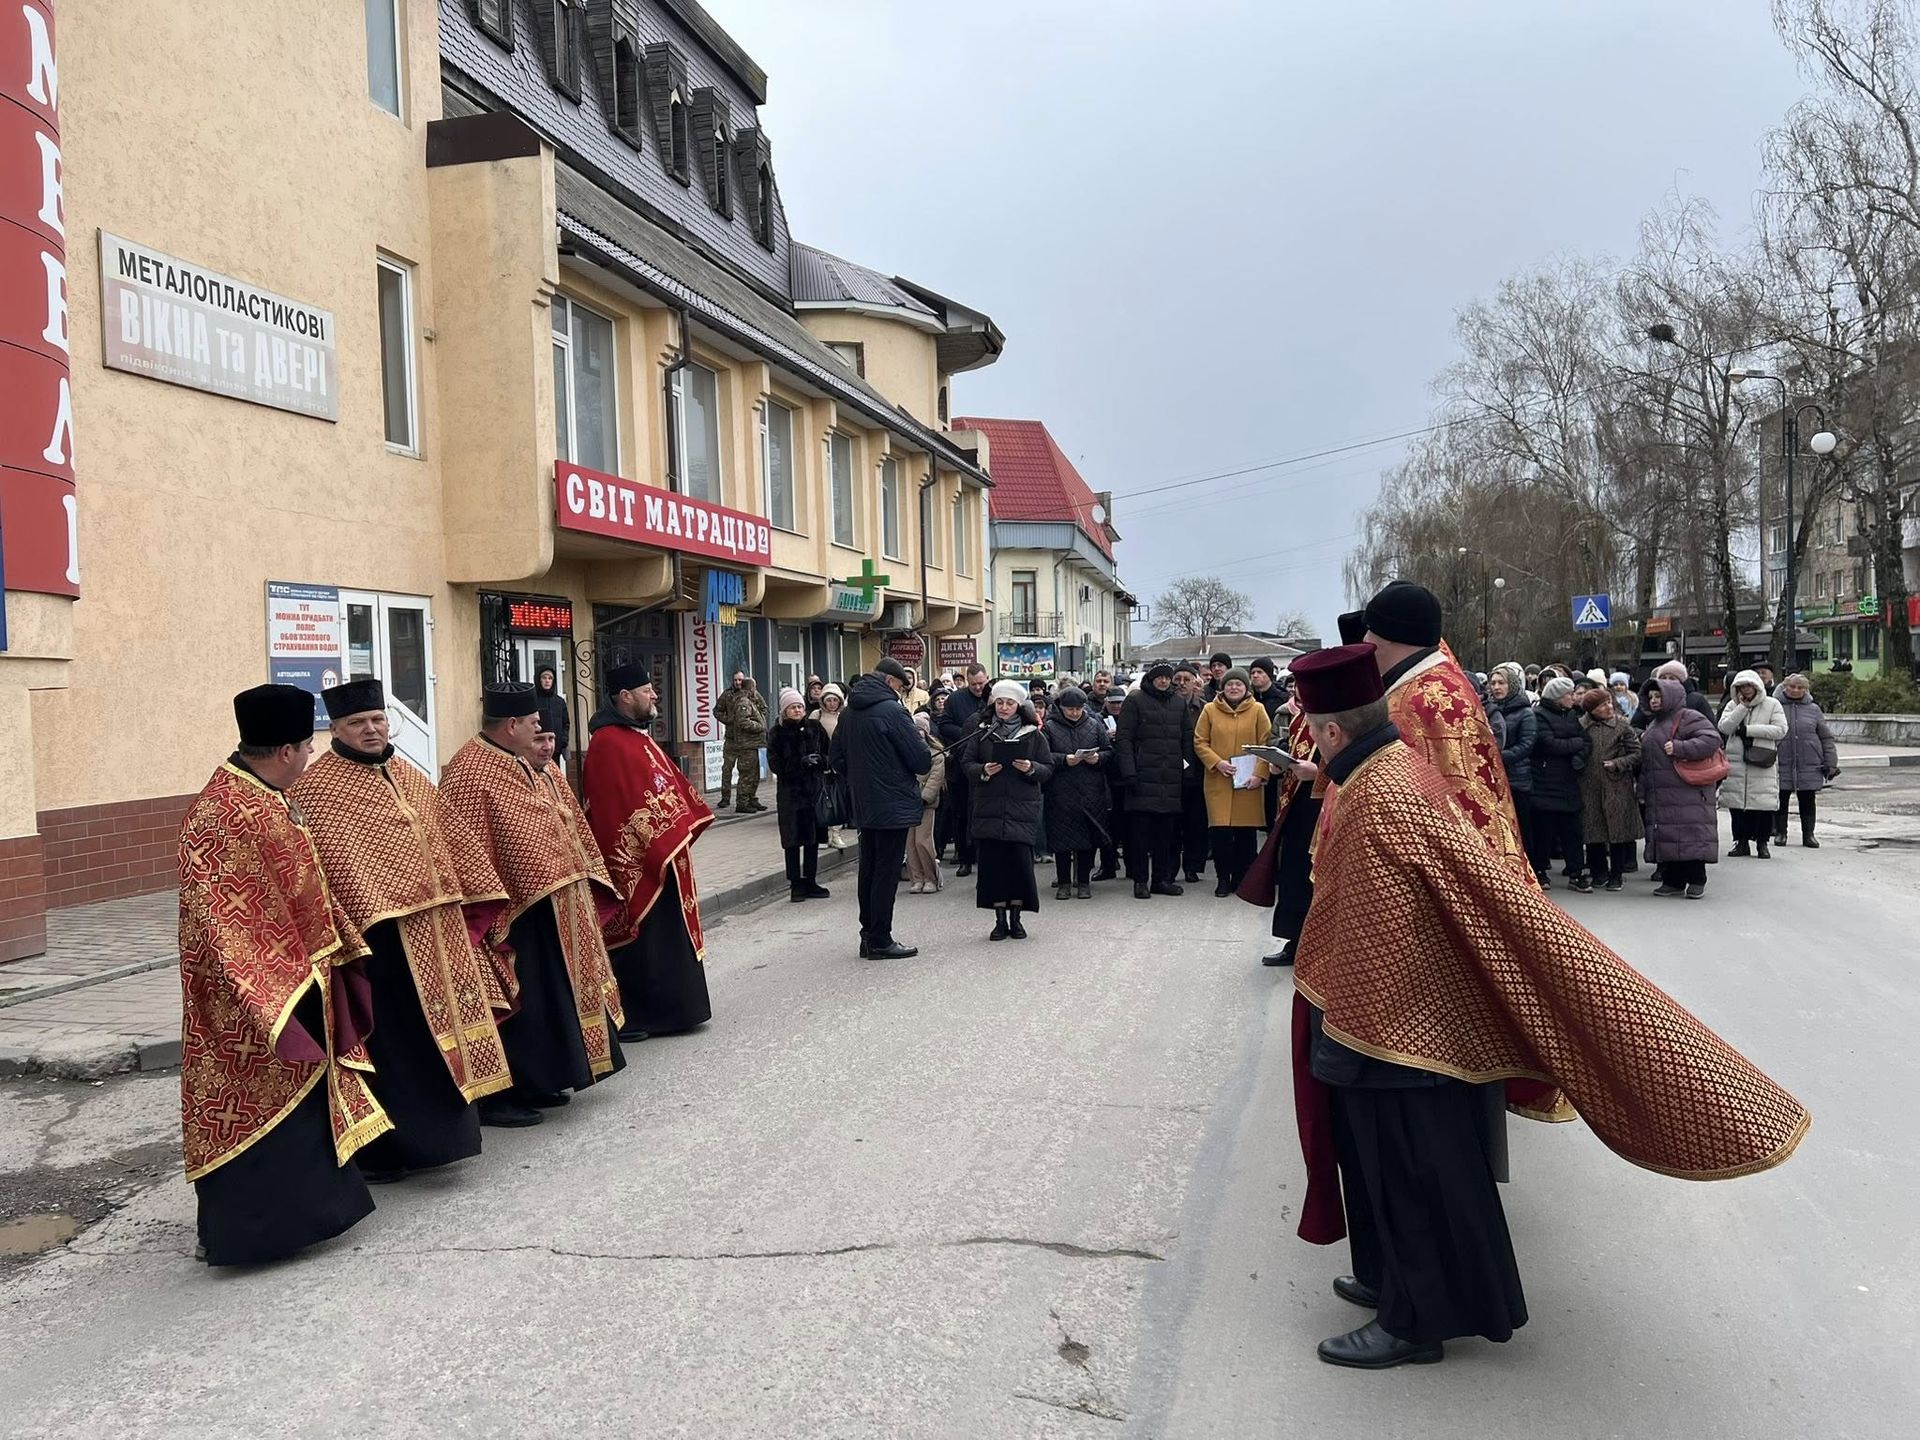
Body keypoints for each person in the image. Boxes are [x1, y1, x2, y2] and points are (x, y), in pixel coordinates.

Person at [1284, 644, 1809, 1370]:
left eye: (1312, 729)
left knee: (1413, 1170)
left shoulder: (1379, 793)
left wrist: (1346, 1015)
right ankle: (1397, 1282)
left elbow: (1373, 923)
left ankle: (1417, 1319)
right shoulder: (1393, 766)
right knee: (1403, 1167)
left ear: (1332, 731)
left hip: (1398, 1028)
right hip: (1412, 1014)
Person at [179, 684, 388, 1265]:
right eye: (309, 748)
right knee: (261, 1102)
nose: (311, 758)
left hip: (294, 972)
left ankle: (306, 1215)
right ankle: (254, 1231)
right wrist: (272, 985)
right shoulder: (225, 812)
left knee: (298, 1100)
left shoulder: (263, 794)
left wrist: (338, 943)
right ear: (289, 750)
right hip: (251, 991)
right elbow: (220, 916)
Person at [290, 678, 517, 1174]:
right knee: (394, 1042)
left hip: (438, 929)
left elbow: (447, 832)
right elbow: (326, 866)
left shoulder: (407, 771)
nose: (371, 730)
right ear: (336, 729)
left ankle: (448, 1138)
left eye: (377, 720)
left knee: (443, 1033)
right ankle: (391, 1150)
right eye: (357, 723)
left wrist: (473, 894)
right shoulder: (317, 787)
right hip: (378, 942)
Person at [439, 686, 627, 1111]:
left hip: (555, 904)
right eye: (534, 725)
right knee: (523, 999)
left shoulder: (535, 767)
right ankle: (518, 1086)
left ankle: (551, 1075)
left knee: (550, 996)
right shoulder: (470, 770)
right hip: (509, 913)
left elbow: (567, 823)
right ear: (512, 726)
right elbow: (464, 846)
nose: (540, 731)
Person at [1337, 582, 1528, 876]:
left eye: (1369, 631)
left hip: (1441, 869)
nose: (1364, 640)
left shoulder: (1428, 699)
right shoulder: (1424, 684)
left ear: (1391, 637)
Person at [583, 663, 715, 1036]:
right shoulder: (608, 742)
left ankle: (677, 1009)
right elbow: (616, 809)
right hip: (639, 861)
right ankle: (640, 1015)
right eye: (647, 690)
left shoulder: (635, 735)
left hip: (665, 854)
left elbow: (665, 786)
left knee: (667, 933)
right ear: (625, 697)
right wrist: (658, 841)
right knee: (644, 937)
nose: (654, 695)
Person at [831, 656, 930, 960]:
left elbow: (835, 758)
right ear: (890, 681)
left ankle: (868, 935)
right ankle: (880, 938)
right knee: (886, 872)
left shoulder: (847, 714)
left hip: (864, 804)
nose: (901, 692)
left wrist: (860, 781)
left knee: (869, 869)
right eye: (900, 686)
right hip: (892, 804)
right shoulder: (893, 711)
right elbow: (921, 760)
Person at [963, 680, 1051, 939]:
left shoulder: (1033, 733)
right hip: (989, 806)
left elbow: (1048, 768)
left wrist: (1031, 768)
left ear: (1018, 706)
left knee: (1019, 866)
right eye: (999, 702)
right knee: (993, 867)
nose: (1003, 708)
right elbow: (966, 763)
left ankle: (1017, 918)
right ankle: (999, 920)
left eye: (1009, 703)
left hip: (1021, 808)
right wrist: (983, 771)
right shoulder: (981, 732)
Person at [1244, 694, 1323, 966]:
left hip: (1325, 807)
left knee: (1317, 879)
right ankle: (1295, 942)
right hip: (1296, 806)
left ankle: (1318, 948)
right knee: (1294, 875)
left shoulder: (1342, 716)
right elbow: (1291, 751)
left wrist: (1319, 772)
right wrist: (1277, 765)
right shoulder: (1300, 716)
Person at [1638, 678, 1723, 898]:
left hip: (1689, 791)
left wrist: (1680, 747)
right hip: (1662, 793)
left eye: (1659, 696)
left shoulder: (1688, 717)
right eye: (1652, 697)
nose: (1655, 701)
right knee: (1668, 836)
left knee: (1691, 836)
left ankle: (1696, 879)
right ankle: (1673, 881)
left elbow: (1712, 739)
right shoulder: (1654, 723)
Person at [1194, 667, 1269, 896]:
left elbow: (1267, 743)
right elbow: (1200, 741)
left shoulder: (1258, 710)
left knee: (1246, 836)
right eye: (1229, 684)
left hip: (1248, 783)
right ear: (1222, 687)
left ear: (1246, 688)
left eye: (1238, 684)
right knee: (1221, 835)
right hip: (1219, 781)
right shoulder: (1209, 710)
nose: (1233, 688)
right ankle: (1223, 878)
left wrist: (1260, 774)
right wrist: (1217, 763)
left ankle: (1242, 878)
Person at [1115, 663, 1188, 899]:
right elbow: (1124, 739)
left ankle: (1160, 879)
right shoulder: (1135, 701)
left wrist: (1187, 771)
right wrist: (1129, 772)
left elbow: (1186, 739)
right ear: (1151, 679)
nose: (1164, 681)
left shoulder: (1178, 703)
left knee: (1165, 836)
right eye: (1160, 677)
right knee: (1139, 837)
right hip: (1142, 777)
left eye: (1168, 677)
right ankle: (1140, 880)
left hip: (1170, 779)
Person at [1042, 685, 1112, 900]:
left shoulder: (1094, 724)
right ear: (1061, 708)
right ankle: (1063, 882)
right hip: (1061, 792)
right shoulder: (1050, 727)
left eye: (1078, 709)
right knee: (1062, 840)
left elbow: (1109, 751)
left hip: (1090, 790)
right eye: (1069, 709)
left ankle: (1083, 881)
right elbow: (1043, 756)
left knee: (1087, 840)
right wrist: (1064, 759)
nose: (1074, 713)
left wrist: (1098, 758)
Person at [767, 686, 833, 902]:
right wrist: (798, 763)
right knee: (793, 841)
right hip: (791, 795)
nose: (797, 710)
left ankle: (811, 880)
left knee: (813, 839)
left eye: (800, 707)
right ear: (785, 711)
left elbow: (828, 752)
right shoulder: (777, 733)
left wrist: (820, 761)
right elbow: (775, 764)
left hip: (814, 791)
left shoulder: (814, 727)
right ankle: (796, 884)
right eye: (792, 707)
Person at [1528, 677, 1591, 892]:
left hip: (1568, 781)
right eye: (1569, 694)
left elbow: (1585, 742)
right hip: (1545, 782)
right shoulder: (1539, 715)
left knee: (1572, 831)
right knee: (1543, 832)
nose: (1573, 698)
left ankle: (1577, 872)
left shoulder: (1571, 715)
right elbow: (1549, 744)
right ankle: (1539, 871)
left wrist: (1578, 756)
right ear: (1558, 697)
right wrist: (1575, 744)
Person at [1718, 669, 1788, 859]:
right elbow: (1724, 727)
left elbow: (1780, 729)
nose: (1746, 689)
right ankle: (1740, 842)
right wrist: (1741, 708)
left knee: (1762, 805)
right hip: (1737, 760)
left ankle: (1762, 843)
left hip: (1762, 760)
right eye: (1742, 686)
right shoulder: (1733, 705)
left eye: (1750, 685)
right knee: (1737, 805)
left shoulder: (1772, 704)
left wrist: (1748, 730)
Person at [1577, 688, 1642, 890]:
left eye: (1609, 702)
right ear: (1591, 710)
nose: (1609, 707)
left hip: (1616, 785)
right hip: (1589, 785)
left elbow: (1637, 753)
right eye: (1603, 705)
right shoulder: (1581, 726)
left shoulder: (1622, 725)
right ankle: (1599, 872)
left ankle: (1617, 874)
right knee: (1592, 830)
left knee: (1617, 831)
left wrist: (1618, 763)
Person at [1773, 673, 1839, 848]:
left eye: (1800, 687)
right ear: (1784, 687)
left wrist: (1831, 762)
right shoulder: (1774, 706)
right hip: (1781, 760)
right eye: (1792, 686)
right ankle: (1780, 833)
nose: (1796, 690)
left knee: (1808, 800)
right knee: (1781, 799)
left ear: (1806, 690)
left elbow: (1825, 737)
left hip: (1808, 762)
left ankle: (1808, 835)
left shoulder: (1814, 709)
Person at [938, 664, 991, 877]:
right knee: (961, 814)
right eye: (974, 684)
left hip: (986, 763)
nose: (979, 688)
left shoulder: (993, 695)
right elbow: (944, 725)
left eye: (982, 683)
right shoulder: (956, 699)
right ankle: (964, 857)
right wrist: (968, 734)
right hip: (962, 765)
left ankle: (982, 856)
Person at [1485, 662, 1536, 860]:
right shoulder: (1488, 710)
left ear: (1512, 685)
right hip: (1495, 779)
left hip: (1517, 779)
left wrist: (1496, 757)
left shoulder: (1525, 713)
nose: (1496, 687)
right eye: (1493, 683)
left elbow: (1526, 745)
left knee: (1522, 827)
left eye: (1502, 683)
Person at [1174, 664, 1212, 882]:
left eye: (1186, 679)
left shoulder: (1205, 709)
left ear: (1194, 682)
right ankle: (1171, 866)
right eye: (1177, 679)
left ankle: (1192, 866)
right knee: (1173, 823)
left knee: (1195, 821)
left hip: (1198, 771)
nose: (1181, 683)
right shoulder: (1166, 705)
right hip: (1171, 770)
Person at [712, 671, 769, 814]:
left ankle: (751, 799)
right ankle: (730, 799)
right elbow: (719, 712)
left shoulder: (753, 696)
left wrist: (760, 721)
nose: (738, 682)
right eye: (736, 680)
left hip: (751, 741)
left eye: (740, 680)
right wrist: (731, 720)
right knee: (732, 770)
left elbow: (764, 709)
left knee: (752, 772)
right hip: (737, 740)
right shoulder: (733, 697)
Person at [906, 711, 946, 894]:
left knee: (923, 841)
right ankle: (916, 878)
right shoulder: (904, 751)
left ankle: (931, 877)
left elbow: (935, 779)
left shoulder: (936, 754)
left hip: (924, 803)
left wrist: (924, 797)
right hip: (906, 803)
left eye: (919, 730)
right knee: (910, 844)